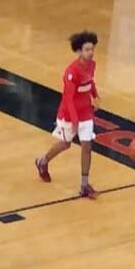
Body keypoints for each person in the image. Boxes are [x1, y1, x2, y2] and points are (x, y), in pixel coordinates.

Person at [35, 31, 100, 199]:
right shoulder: (71, 72)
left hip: (86, 112)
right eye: (87, 50)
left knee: (87, 146)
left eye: (92, 49)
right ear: (79, 51)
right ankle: (42, 161)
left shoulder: (92, 65)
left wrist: (95, 95)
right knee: (65, 144)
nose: (91, 52)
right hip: (69, 114)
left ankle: (84, 184)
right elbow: (68, 99)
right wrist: (75, 120)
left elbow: (90, 81)